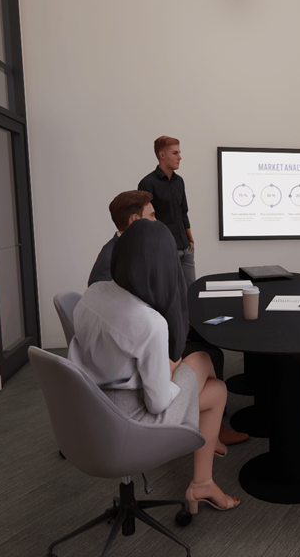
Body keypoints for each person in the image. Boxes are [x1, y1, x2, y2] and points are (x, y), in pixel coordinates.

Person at [71, 220, 241, 513]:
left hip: (91, 405)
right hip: (130, 422)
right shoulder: (149, 323)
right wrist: (171, 370)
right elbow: (157, 403)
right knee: (202, 361)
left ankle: (205, 471)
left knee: (216, 390)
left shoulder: (94, 293)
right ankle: (203, 469)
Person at [138, 136, 196, 286]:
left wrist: (190, 240)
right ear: (162, 155)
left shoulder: (179, 181)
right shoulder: (147, 183)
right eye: (175, 153)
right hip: (164, 250)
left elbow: (183, 212)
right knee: (171, 292)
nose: (180, 157)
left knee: (191, 291)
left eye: (179, 153)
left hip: (186, 248)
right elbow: (145, 221)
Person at [87, 190, 155, 286]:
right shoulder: (110, 259)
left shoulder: (137, 248)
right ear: (135, 219)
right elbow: (100, 294)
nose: (155, 220)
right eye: (151, 215)